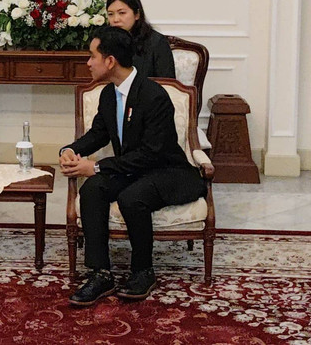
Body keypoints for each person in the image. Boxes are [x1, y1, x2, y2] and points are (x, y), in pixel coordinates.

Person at [59, 26, 206, 307]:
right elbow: (98, 134)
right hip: (133, 168)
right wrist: (70, 150)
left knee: (131, 197)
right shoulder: (108, 94)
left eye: (92, 56)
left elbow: (152, 153)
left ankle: (143, 271)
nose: (88, 63)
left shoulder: (153, 96)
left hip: (167, 171)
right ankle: (101, 273)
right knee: (93, 190)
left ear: (110, 61)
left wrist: (98, 166)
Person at [106, 0, 175, 79]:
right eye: (110, 14)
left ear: (137, 14)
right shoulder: (105, 42)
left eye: (122, 13)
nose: (115, 19)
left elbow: (167, 85)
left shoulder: (157, 43)